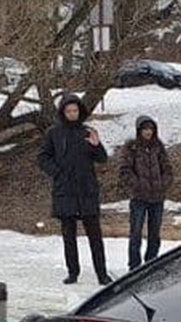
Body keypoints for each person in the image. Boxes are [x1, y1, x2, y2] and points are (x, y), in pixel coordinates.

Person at [38, 94, 110, 285]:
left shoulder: (87, 131)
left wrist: (97, 145)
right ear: (63, 112)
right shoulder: (54, 133)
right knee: (68, 235)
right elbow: (43, 157)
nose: (72, 114)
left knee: (95, 235)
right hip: (65, 190)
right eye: (69, 111)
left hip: (87, 189)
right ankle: (73, 272)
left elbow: (102, 159)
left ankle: (102, 273)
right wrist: (57, 172)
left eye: (75, 110)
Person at [118, 115, 173, 270]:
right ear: (139, 130)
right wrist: (136, 185)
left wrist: (163, 184)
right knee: (135, 233)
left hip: (157, 197)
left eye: (150, 129)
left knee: (154, 233)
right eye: (145, 129)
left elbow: (168, 169)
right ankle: (134, 266)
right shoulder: (132, 147)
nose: (148, 132)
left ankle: (151, 263)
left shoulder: (158, 146)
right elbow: (124, 170)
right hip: (139, 197)